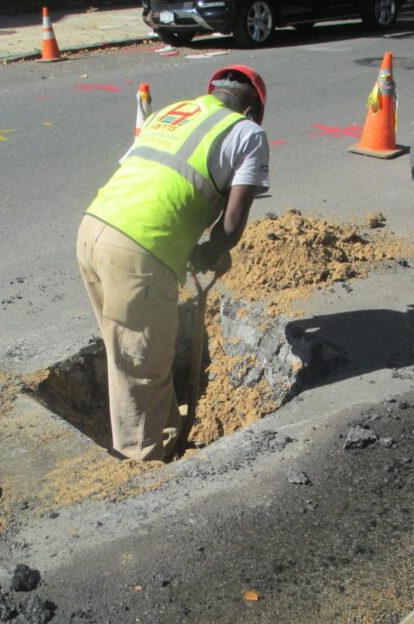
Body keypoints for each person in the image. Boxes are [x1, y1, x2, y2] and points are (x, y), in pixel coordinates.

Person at [77, 66, 270, 461]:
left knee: (131, 355)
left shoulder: (172, 112)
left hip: (92, 231)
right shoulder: (248, 133)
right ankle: (142, 467)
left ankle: (165, 437)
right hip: (138, 250)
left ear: (213, 92)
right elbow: (231, 225)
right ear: (253, 110)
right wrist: (208, 253)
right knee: (141, 366)